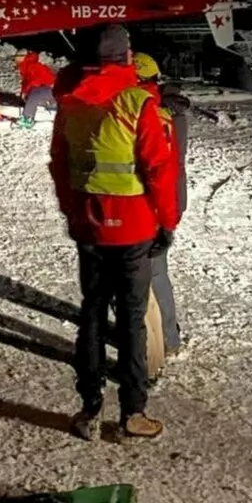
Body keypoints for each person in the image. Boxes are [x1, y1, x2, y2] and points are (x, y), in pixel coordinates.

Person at [49, 25, 179, 441]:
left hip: (89, 225)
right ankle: (132, 413)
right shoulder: (137, 103)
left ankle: (89, 407)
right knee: (131, 320)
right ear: (126, 58)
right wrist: (167, 221)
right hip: (136, 228)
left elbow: (60, 164)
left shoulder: (70, 104)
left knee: (91, 313)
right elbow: (159, 170)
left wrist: (73, 212)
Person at [133, 52, 192, 357]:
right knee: (156, 271)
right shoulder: (169, 110)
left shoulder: (148, 112)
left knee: (149, 273)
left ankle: (162, 341)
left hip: (153, 202)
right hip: (169, 199)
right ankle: (166, 337)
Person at [15, 51, 57, 129]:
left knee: (36, 91)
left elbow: (36, 82)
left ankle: (27, 118)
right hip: (46, 95)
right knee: (34, 93)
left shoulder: (33, 66)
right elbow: (26, 83)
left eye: (16, 58)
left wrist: (25, 92)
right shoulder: (26, 68)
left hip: (51, 92)